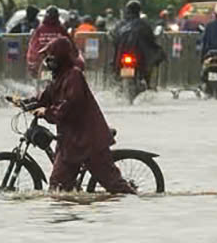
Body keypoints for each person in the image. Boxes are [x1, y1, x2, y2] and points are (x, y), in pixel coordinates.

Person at [19, 36, 133, 195]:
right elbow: (44, 98)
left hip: (89, 141)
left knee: (114, 186)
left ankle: (137, 203)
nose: (47, 62)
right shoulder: (58, 77)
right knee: (58, 188)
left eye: (50, 58)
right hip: (70, 142)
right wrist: (24, 102)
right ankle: (74, 208)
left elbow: (70, 106)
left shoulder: (74, 76)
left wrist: (47, 112)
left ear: (60, 58)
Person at [111, 0, 166, 80]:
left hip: (132, 56)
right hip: (130, 56)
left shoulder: (121, 24)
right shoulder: (143, 24)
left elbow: (113, 36)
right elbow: (151, 39)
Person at [25, 6, 67, 74]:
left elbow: (32, 45)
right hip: (46, 61)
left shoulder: (40, 28)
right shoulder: (60, 28)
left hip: (48, 61)